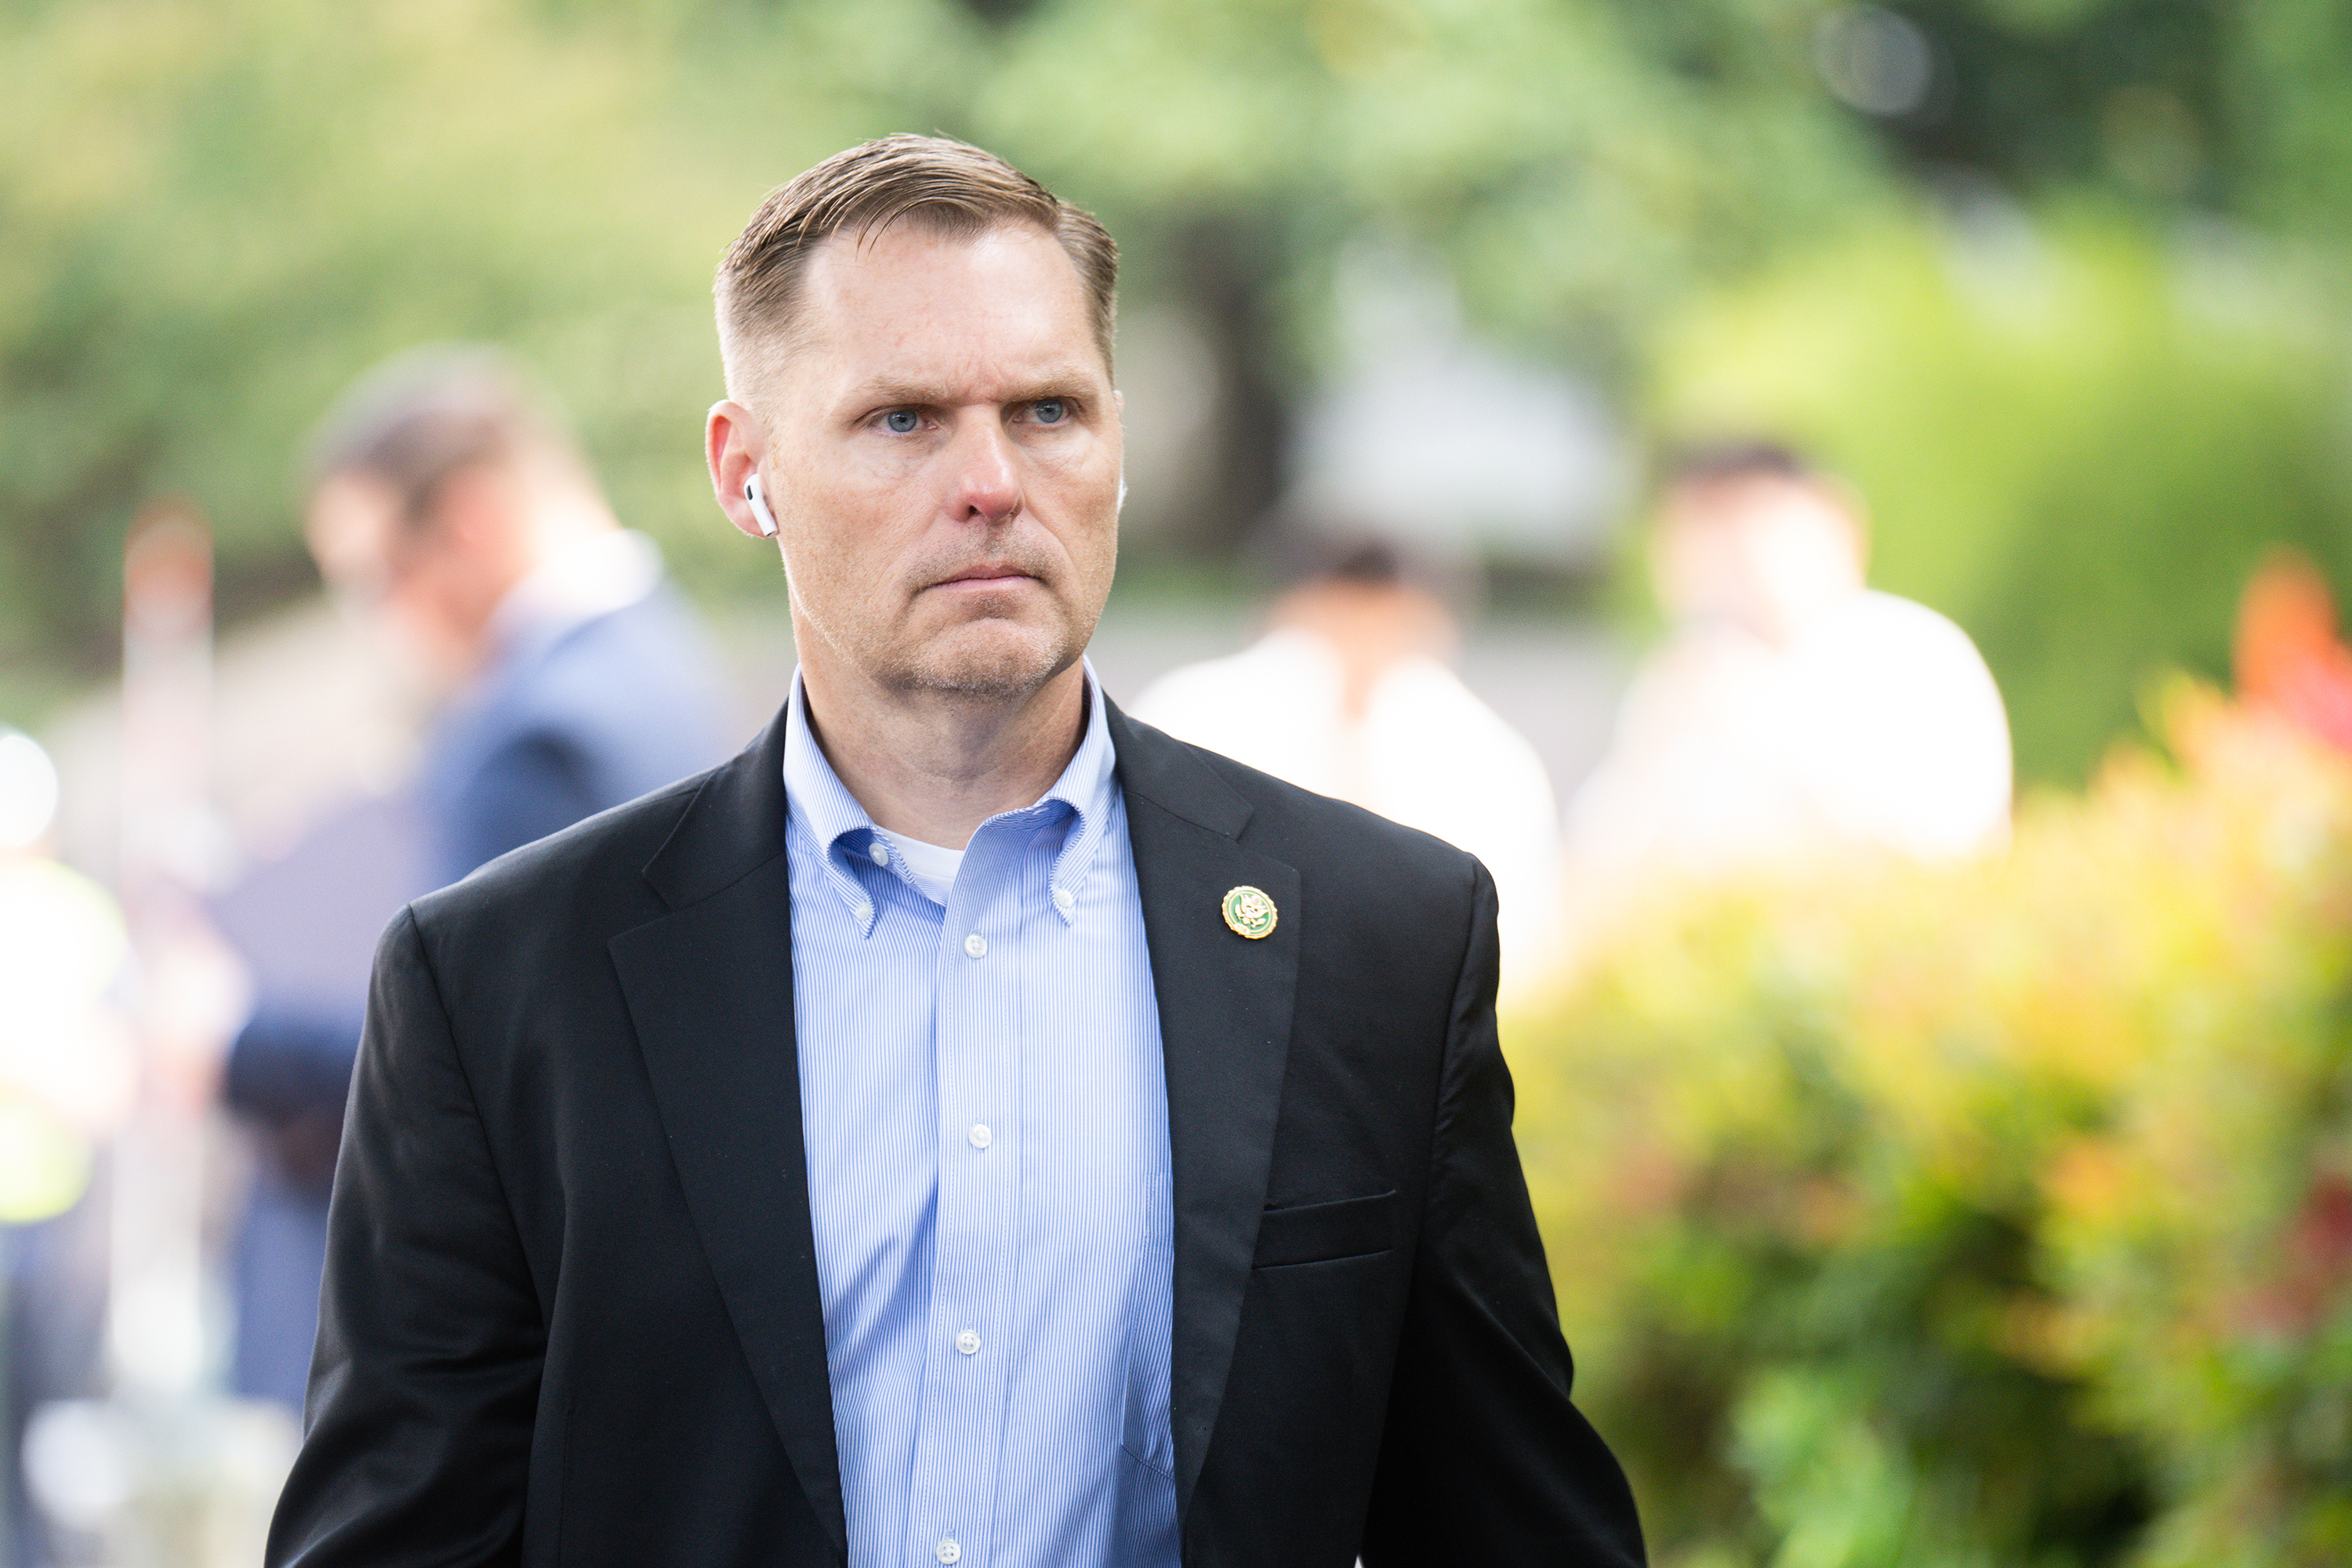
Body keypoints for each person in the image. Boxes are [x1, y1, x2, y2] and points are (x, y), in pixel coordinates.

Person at [266, 136, 1643, 1567]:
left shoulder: (1380, 937)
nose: (991, 479)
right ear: (749, 473)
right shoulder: (496, 983)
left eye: (1049, 409)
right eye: (905, 420)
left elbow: (1518, 1527)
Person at [215, 350, 731, 1410]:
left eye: (372, 577)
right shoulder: (658, 667)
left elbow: (459, 1069)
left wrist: (229, 1041)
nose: (376, 620)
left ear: (470, 520)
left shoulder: (536, 733)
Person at [1564, 441, 2011, 893]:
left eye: (1744, 520)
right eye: (1696, 528)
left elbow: (1946, 844)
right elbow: (1595, 866)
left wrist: (1760, 717)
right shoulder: (1682, 680)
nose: (1717, 556)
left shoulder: (1912, 654)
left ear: (1833, 523)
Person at [1133, 538, 1565, 999]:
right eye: (1345, 621)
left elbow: (1525, 947)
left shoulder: (1483, 754)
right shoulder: (1196, 712)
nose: (1363, 643)